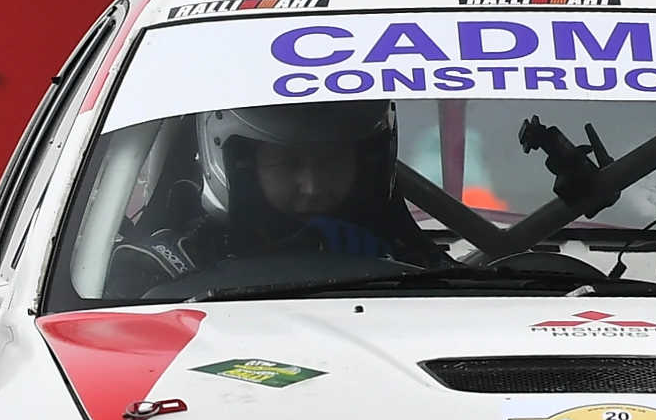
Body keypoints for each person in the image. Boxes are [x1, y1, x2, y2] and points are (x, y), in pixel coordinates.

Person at [109, 100, 440, 291]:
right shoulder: (163, 268)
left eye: (331, 161)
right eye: (286, 164)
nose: (312, 187)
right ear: (241, 166)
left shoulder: (416, 261)